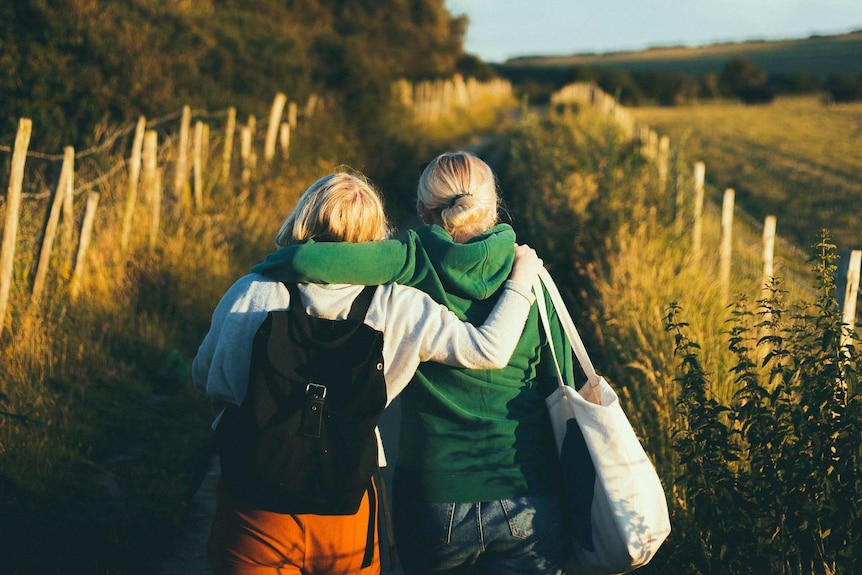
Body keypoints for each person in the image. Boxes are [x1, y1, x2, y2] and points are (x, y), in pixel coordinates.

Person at [192, 170, 546, 575]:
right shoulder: (399, 304)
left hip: (255, 505)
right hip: (349, 505)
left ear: (303, 219)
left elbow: (206, 376)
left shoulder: (252, 291)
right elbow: (487, 348)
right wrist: (521, 277)